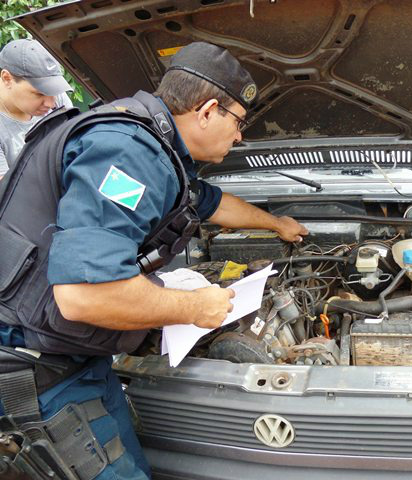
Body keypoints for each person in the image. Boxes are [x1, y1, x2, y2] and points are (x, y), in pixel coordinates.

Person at [0, 42, 308, 479]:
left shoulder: (158, 148)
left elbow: (210, 204)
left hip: (80, 357)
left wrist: (276, 224)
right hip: (34, 369)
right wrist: (196, 306)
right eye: (239, 122)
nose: (240, 136)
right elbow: (84, 298)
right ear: (207, 111)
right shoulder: (127, 151)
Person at [0, 38, 73, 177]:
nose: (51, 104)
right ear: (7, 78)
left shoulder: (56, 97)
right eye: (39, 93)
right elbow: (5, 194)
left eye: (54, 91)